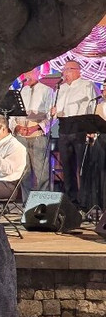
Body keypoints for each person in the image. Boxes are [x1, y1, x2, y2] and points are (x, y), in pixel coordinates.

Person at [51, 59, 96, 207]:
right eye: (64, 70)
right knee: (67, 167)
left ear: (77, 71)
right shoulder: (61, 88)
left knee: (83, 167)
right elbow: (57, 110)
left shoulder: (86, 85)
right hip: (64, 128)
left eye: (68, 70)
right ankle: (72, 200)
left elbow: (92, 106)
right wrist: (54, 112)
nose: (65, 73)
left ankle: (86, 200)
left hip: (80, 128)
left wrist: (91, 128)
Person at [13, 69, 55, 191]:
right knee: (24, 171)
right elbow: (13, 114)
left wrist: (35, 127)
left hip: (37, 135)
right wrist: (17, 127)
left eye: (30, 72)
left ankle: (43, 199)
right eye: (25, 73)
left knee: (42, 172)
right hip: (21, 135)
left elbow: (52, 115)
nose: (27, 75)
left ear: (38, 73)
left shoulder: (47, 90)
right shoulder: (21, 91)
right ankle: (26, 200)